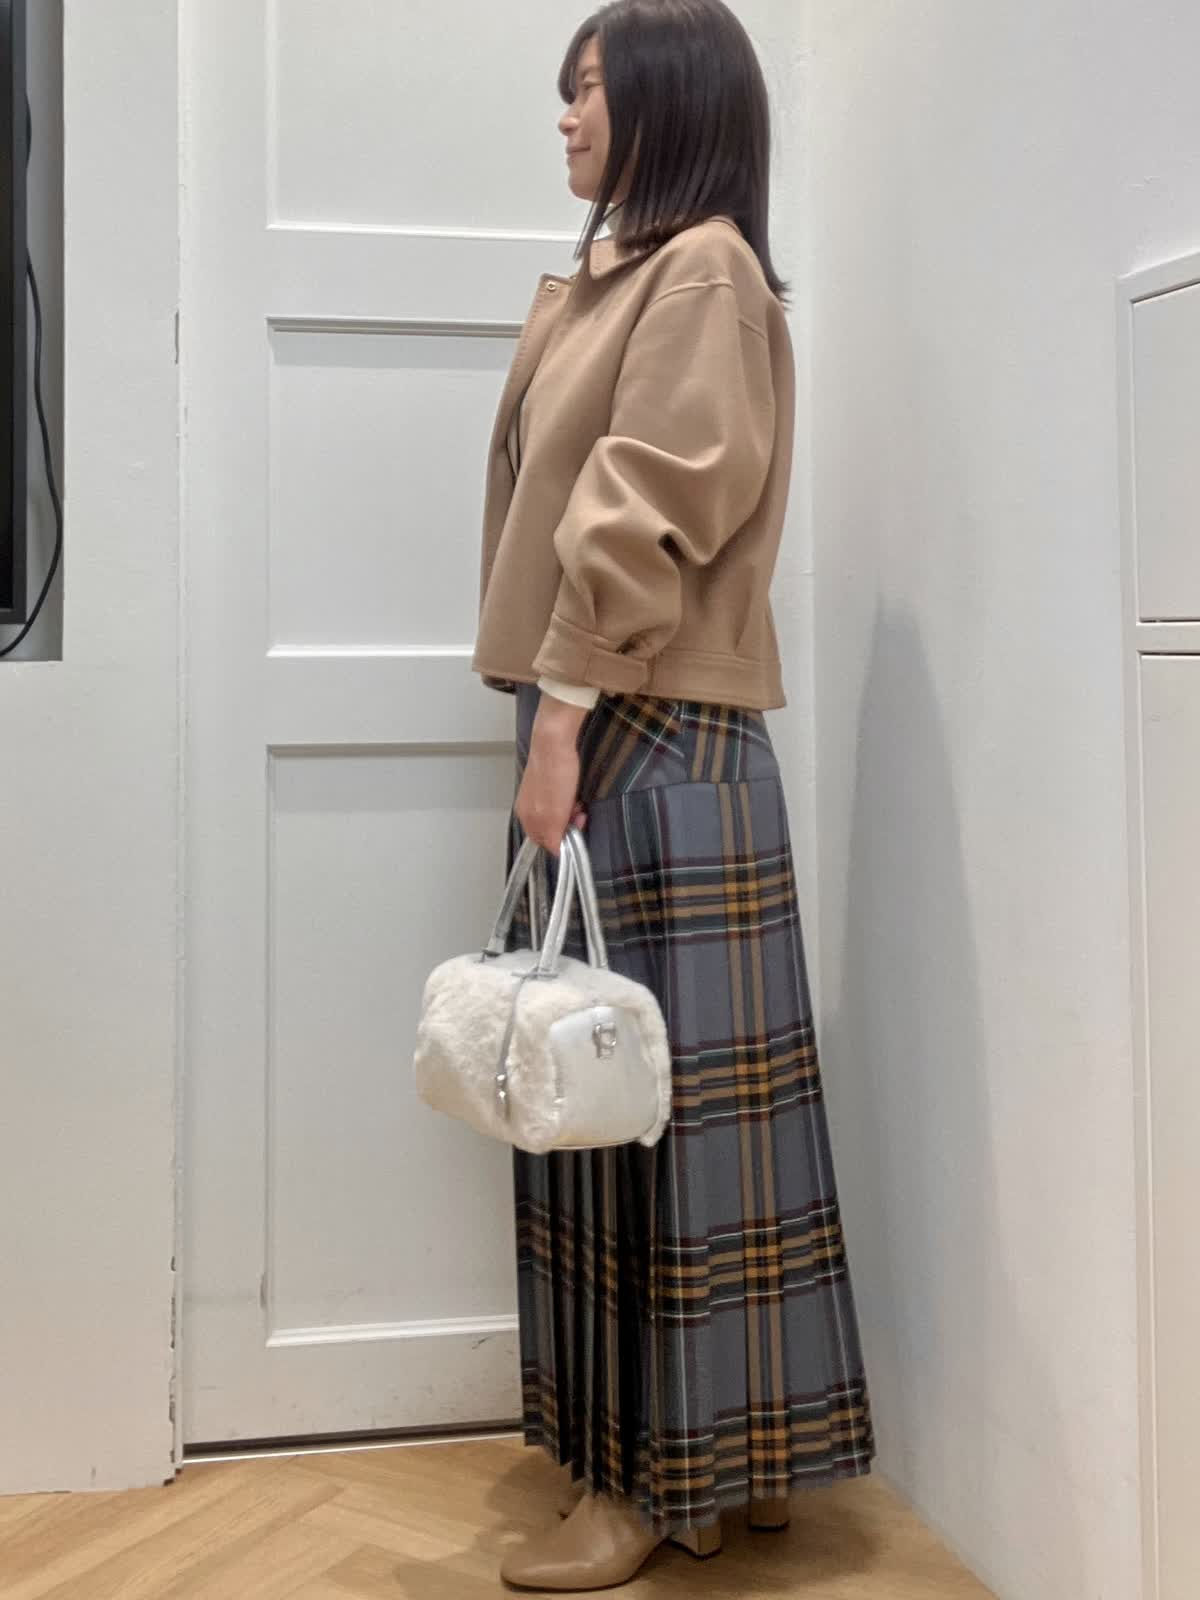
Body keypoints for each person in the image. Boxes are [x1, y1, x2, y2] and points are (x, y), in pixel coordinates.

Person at [470, 1, 875, 1588]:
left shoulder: (699, 270)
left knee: (649, 1128)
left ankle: (652, 1484)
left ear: (668, 102)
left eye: (588, 90)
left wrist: (559, 721)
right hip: (642, 723)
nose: (566, 118)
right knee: (674, 1110)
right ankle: (737, 1463)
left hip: (637, 723)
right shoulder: (640, 273)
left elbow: (647, 503)